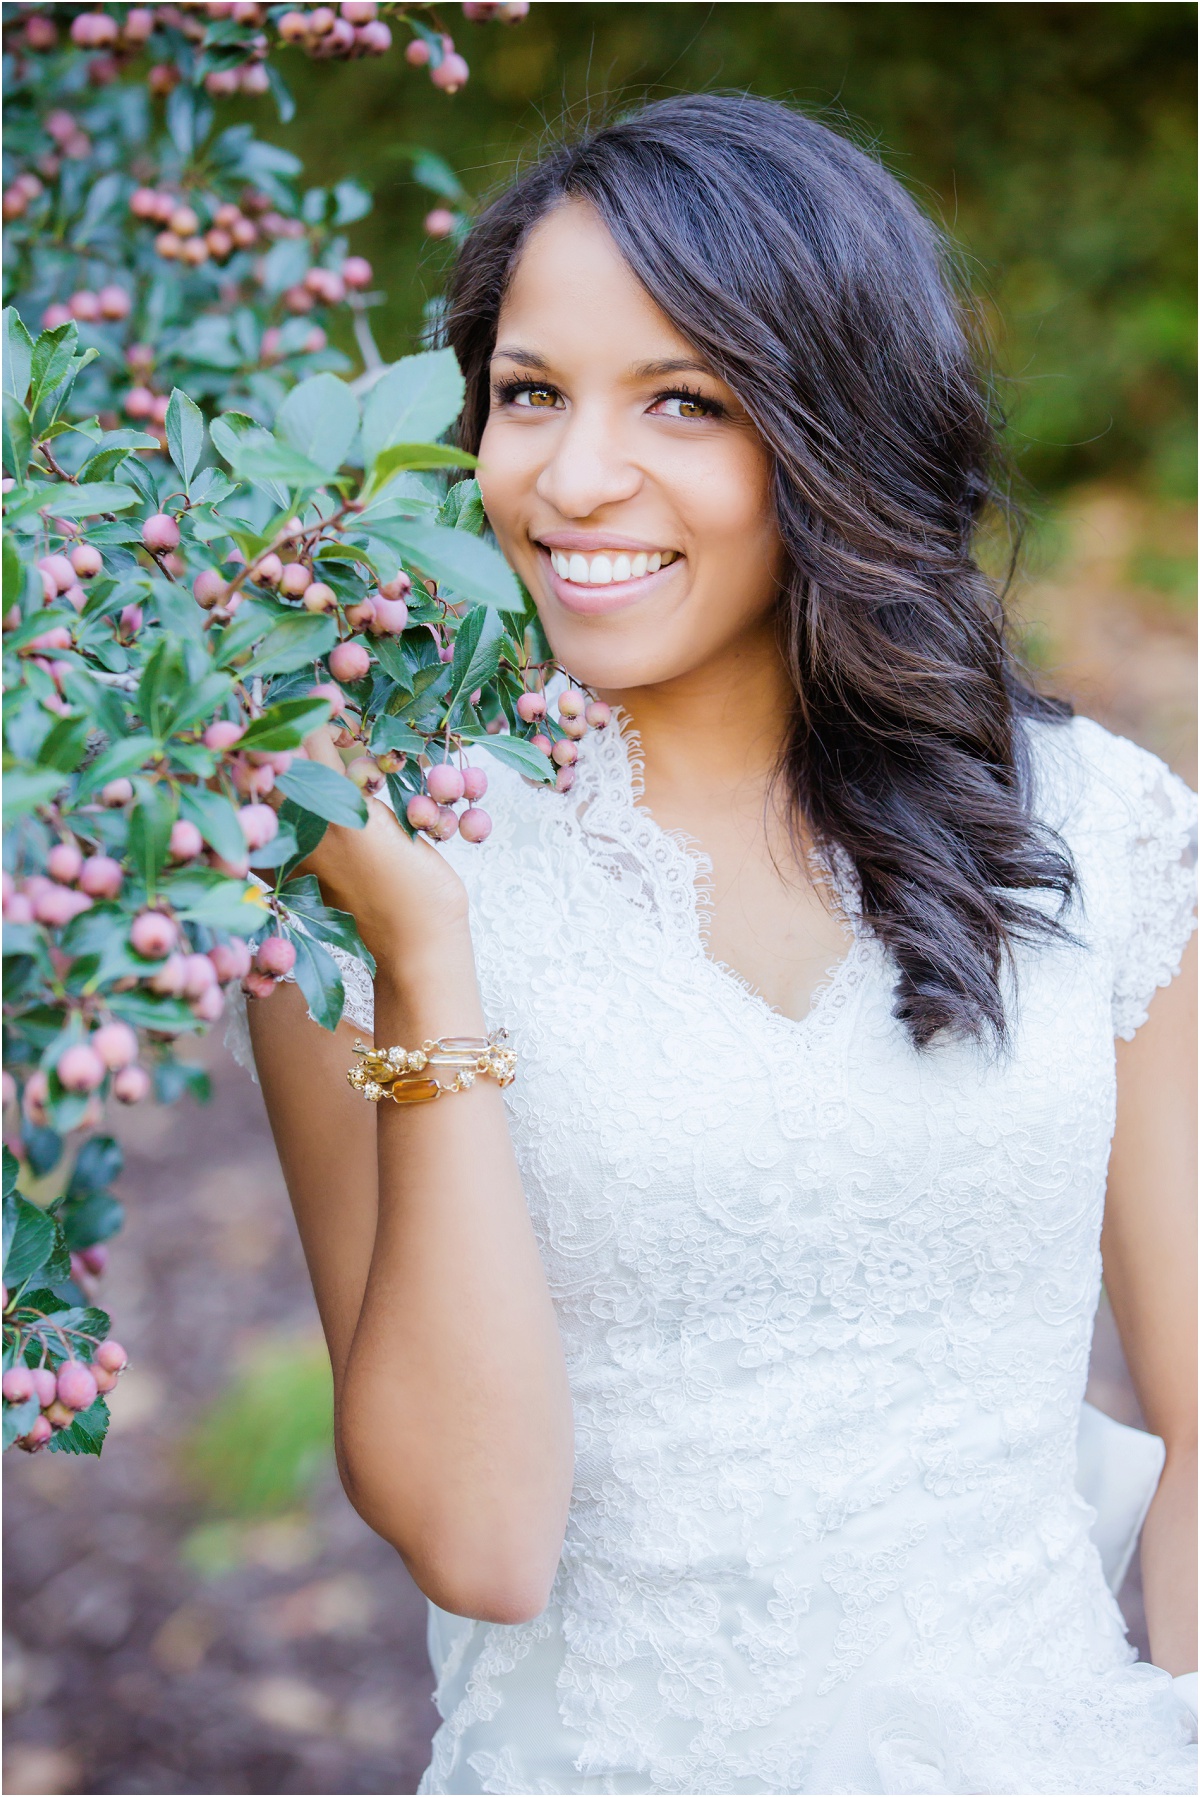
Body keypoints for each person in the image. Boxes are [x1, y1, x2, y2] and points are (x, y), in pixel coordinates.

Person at [238, 95, 1197, 1795]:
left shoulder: (1101, 834)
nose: (574, 475)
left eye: (683, 399)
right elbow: (481, 1541)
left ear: (837, 425)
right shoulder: (375, 878)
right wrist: (424, 958)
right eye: (530, 393)